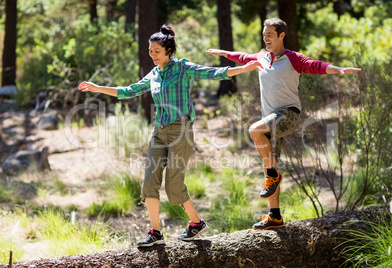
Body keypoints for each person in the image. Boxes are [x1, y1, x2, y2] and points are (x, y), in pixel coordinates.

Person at [78, 24, 262, 247]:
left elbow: (212, 72)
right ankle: (155, 232)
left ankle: (196, 223)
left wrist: (242, 69)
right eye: (150, 51)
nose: (152, 55)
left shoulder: (182, 68)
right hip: (159, 132)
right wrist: (98, 88)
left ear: (168, 50)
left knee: (174, 187)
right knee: (149, 185)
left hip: (180, 132)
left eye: (156, 51)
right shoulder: (154, 74)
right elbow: (128, 90)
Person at [206, 18, 361, 230]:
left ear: (281, 35)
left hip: (288, 114)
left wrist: (338, 69)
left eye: (270, 34)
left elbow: (315, 66)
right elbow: (242, 57)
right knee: (270, 164)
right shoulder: (261, 57)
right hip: (270, 118)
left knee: (254, 131)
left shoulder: (292, 58)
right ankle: (275, 216)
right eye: (264, 34)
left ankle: (273, 176)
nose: (265, 38)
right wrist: (223, 53)